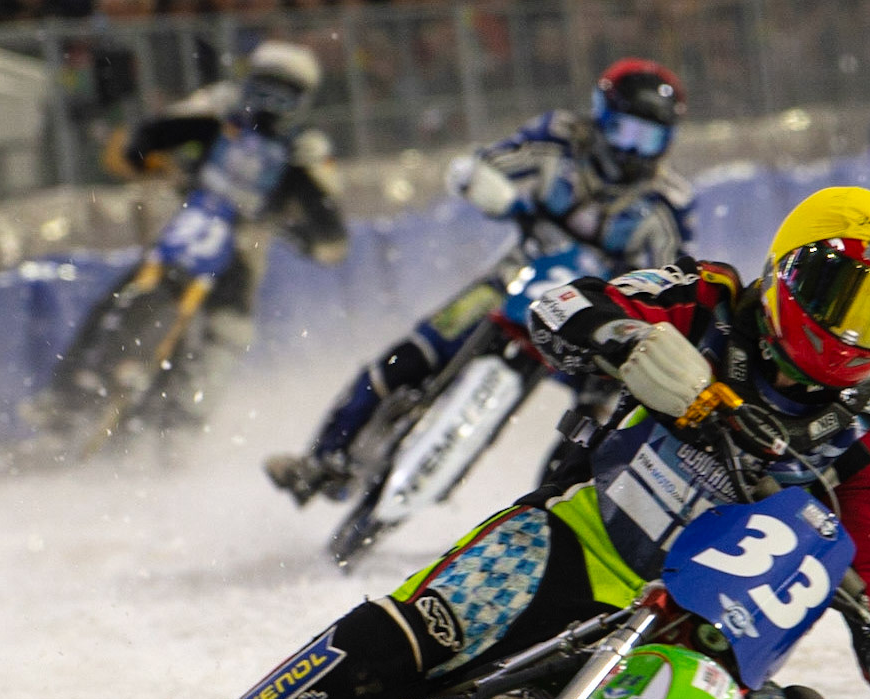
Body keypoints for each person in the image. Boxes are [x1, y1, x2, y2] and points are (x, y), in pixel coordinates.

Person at [116, 185, 870, 699]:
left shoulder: (867, 436)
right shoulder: (704, 299)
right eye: (840, 296)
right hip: (576, 539)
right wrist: (631, 346)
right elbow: (565, 303)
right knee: (412, 638)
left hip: (699, 630)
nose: (852, 330)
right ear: (786, 273)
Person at [263, 57, 697, 506]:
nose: (632, 151)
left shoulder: (670, 204)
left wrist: (633, 318)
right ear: (600, 115)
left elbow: (671, 279)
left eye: (649, 139)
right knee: (412, 355)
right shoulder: (559, 138)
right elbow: (488, 165)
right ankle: (319, 460)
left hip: (595, 319)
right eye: (624, 131)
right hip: (514, 278)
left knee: (599, 418)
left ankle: (550, 511)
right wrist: (491, 187)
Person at [32, 40, 347, 430]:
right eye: (265, 85)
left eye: (285, 92)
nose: (270, 100)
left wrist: (308, 236)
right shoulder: (220, 108)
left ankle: (181, 422)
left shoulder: (307, 148)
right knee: (125, 293)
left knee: (227, 330)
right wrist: (155, 159)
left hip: (245, 240)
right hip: (192, 219)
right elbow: (154, 133)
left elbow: (330, 223)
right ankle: (68, 394)